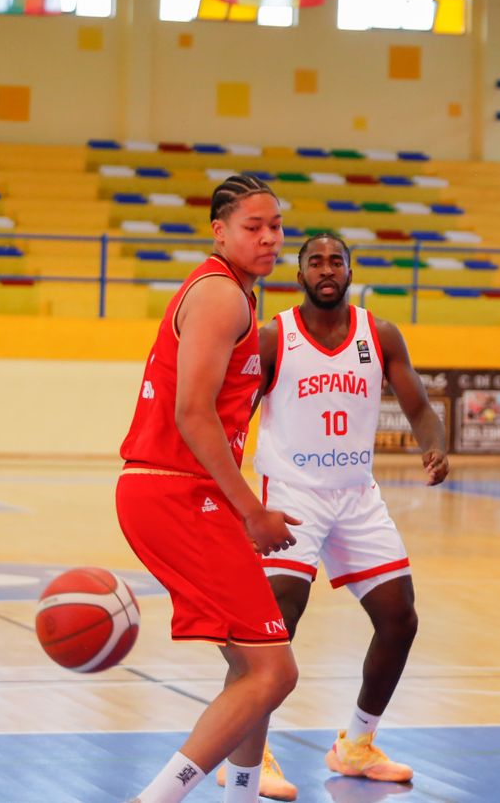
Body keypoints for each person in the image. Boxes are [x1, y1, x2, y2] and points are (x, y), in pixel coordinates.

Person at [216, 233, 449, 800]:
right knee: (275, 624)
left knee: (400, 618)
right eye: (315, 261)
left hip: (355, 495)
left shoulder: (380, 333)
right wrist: (234, 496)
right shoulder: (274, 337)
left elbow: (418, 402)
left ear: (348, 270)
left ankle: (357, 746)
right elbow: (231, 411)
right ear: (299, 274)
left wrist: (433, 444)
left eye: (335, 261)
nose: (326, 269)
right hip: (290, 495)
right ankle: (250, 751)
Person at [116, 176, 299, 803]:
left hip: (176, 491)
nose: (270, 237)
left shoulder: (230, 293)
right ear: (219, 231)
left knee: (254, 664)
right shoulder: (221, 296)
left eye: (276, 225)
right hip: (175, 491)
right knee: (275, 670)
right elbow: (191, 413)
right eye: (254, 226)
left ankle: (241, 795)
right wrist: (250, 511)